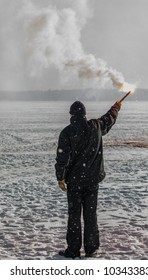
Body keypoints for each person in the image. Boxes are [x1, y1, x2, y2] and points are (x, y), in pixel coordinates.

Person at [55, 100, 121, 258]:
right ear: (85, 114)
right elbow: (109, 118)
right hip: (91, 181)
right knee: (91, 216)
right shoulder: (96, 126)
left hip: (74, 182)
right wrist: (116, 107)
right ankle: (92, 249)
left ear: (71, 114)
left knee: (74, 216)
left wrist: (60, 178)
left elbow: (61, 158)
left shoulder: (67, 132)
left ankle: (73, 250)